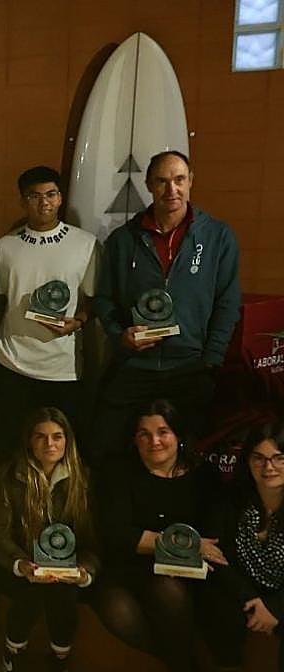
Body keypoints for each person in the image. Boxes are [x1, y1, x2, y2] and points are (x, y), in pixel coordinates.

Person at [92, 150, 241, 457]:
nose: (171, 189)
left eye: (179, 180)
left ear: (191, 182)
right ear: (149, 185)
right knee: (106, 447)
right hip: (136, 363)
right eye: (162, 181)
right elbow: (104, 299)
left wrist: (211, 359)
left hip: (191, 366)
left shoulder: (218, 236)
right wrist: (120, 336)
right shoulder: (123, 240)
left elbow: (227, 302)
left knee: (190, 453)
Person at [91, 400, 228, 672]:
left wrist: (167, 544)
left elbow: (213, 537)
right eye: (144, 433)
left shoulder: (204, 476)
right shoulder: (119, 472)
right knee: (115, 609)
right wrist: (185, 542)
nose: (154, 441)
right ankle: (187, 670)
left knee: (167, 590)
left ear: (178, 436)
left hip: (184, 573)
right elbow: (116, 534)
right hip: (128, 566)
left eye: (162, 432)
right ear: (134, 439)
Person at [0, 407, 98, 672]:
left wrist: (85, 570)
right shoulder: (8, 475)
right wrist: (20, 563)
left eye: (57, 437)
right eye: (41, 437)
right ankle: (13, 651)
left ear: (67, 440)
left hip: (66, 568)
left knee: (63, 589)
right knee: (31, 587)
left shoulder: (82, 479)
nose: (50, 444)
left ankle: (59, 659)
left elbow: (93, 538)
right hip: (19, 563)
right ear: (29, 441)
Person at [0, 166, 100, 448]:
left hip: (63, 369)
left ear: (60, 198)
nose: (44, 203)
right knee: (12, 450)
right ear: (23, 201)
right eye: (34, 196)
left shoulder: (86, 245)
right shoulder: (3, 248)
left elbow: (95, 300)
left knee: (59, 453)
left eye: (51, 194)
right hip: (12, 364)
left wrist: (79, 321)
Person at [209, 421, 284, 672]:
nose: (269, 467)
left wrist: (275, 608)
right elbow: (220, 554)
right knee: (216, 599)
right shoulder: (233, 501)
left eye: (279, 458)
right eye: (259, 458)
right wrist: (251, 598)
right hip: (247, 591)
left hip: (281, 596)